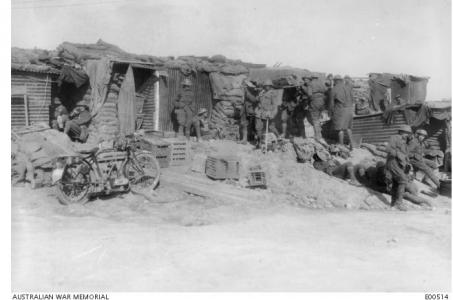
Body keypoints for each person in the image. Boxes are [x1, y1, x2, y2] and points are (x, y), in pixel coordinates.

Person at [385, 125, 413, 210]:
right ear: (401, 132)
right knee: (403, 180)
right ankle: (398, 203)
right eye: (406, 133)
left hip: (400, 164)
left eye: (408, 133)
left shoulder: (405, 142)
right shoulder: (394, 138)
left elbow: (406, 154)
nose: (407, 135)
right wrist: (398, 154)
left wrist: (407, 162)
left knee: (396, 183)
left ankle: (393, 203)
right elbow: (389, 150)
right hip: (393, 162)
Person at [329, 75, 354, 150]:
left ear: (336, 81)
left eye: (334, 81)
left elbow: (331, 103)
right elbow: (353, 99)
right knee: (348, 128)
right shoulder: (348, 87)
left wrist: (331, 112)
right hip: (349, 109)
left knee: (340, 129)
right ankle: (352, 145)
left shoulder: (334, 89)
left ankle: (341, 146)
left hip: (340, 110)